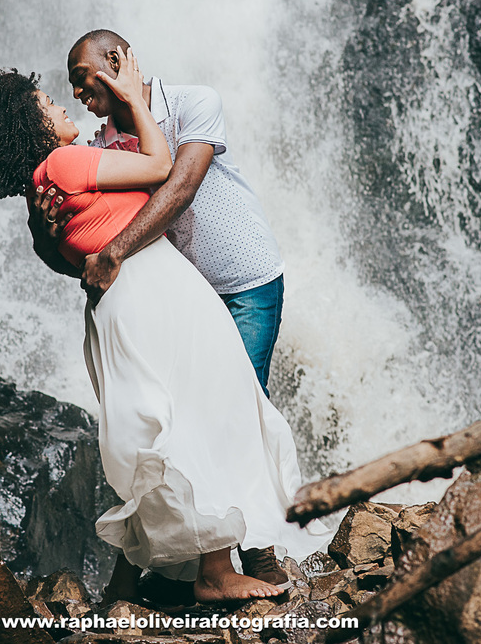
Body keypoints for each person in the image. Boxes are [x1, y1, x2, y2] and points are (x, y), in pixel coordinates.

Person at [0, 51, 334, 604]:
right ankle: (218, 572)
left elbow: (76, 253)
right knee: (200, 416)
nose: (64, 101)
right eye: (49, 102)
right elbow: (159, 167)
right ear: (32, 128)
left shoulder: (49, 180)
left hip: (141, 295)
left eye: (74, 86)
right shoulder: (67, 163)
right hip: (153, 291)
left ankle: (130, 580)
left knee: (167, 427)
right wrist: (132, 98)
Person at [28, 29, 292, 590]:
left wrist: (114, 253)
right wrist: (45, 231)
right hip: (182, 299)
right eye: (69, 87)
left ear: (118, 62)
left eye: (83, 78)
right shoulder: (96, 147)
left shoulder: (196, 102)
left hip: (245, 283)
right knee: (185, 421)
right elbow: (85, 252)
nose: (76, 93)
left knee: (237, 409)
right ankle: (159, 576)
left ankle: (255, 560)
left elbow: (178, 189)